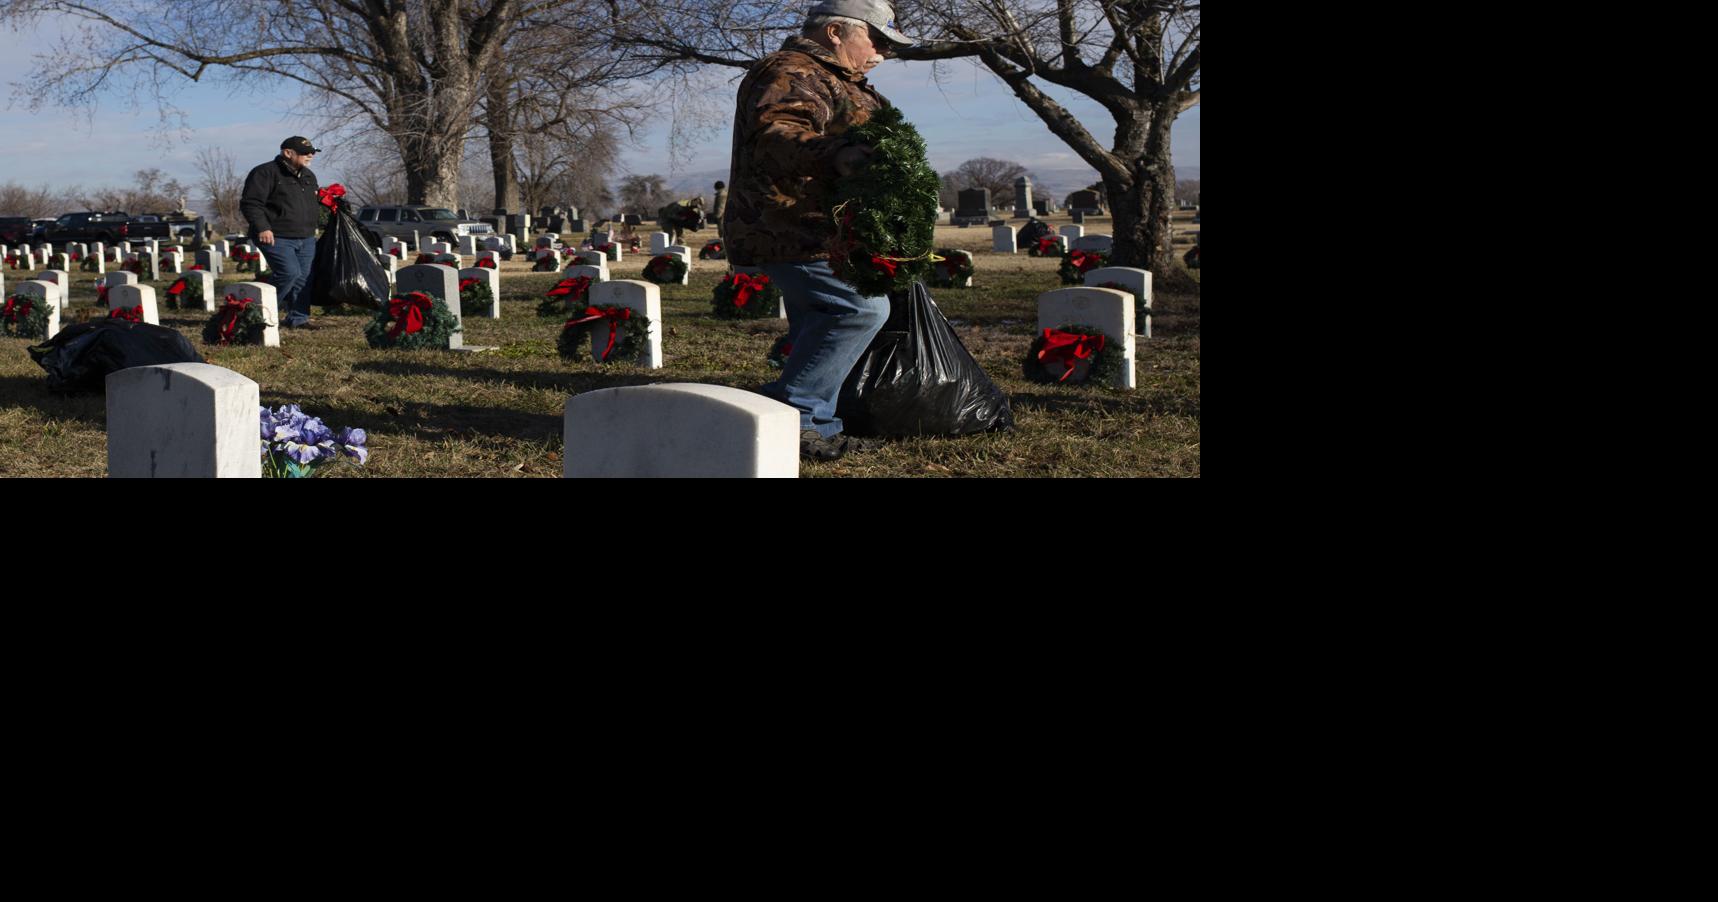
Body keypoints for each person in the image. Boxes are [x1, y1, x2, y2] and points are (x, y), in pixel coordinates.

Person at [724, 0, 913, 461]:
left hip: (824, 228)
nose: (884, 53)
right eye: (878, 39)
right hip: (789, 224)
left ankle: (818, 425)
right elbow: (777, 131)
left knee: (819, 320)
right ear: (835, 32)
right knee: (858, 310)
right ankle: (796, 417)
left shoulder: (840, 80)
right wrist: (835, 155)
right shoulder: (792, 70)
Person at [241, 136, 323, 330]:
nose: (310, 155)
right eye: (305, 153)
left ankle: (298, 318)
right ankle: (260, 313)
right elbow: (251, 203)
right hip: (275, 235)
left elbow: (311, 203)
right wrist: (262, 227)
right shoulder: (265, 173)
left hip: (306, 236)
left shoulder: (309, 176)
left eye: (312, 152)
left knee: (303, 278)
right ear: (288, 153)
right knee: (289, 273)